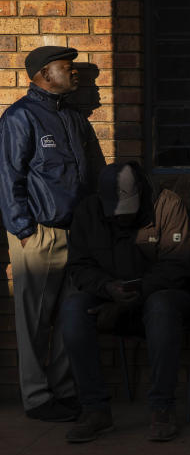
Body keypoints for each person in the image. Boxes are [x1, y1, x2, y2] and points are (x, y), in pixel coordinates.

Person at [0, 46, 103, 422]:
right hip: (39, 234)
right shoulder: (20, 117)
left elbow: (92, 174)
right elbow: (9, 177)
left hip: (77, 236)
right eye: (66, 68)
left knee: (69, 318)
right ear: (44, 73)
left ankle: (62, 388)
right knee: (35, 320)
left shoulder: (75, 119)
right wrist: (23, 229)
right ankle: (37, 397)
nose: (74, 74)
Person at [59, 162, 190, 443]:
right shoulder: (88, 211)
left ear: (142, 192)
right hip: (109, 294)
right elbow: (79, 267)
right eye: (114, 212)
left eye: (127, 210)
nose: (121, 218)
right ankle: (95, 410)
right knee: (73, 309)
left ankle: (162, 408)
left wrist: (130, 298)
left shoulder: (167, 205)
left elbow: (177, 267)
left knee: (161, 307)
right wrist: (107, 289)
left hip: (160, 295)